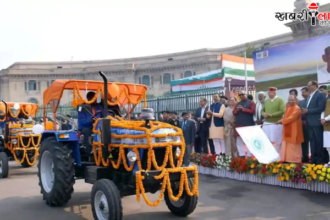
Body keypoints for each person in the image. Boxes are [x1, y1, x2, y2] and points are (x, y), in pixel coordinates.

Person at [302, 81, 327, 164]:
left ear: (314, 85)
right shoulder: (310, 96)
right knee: (312, 142)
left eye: (309, 86)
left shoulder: (320, 94)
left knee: (319, 141)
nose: (308, 87)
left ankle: (320, 160)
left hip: (317, 122)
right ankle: (313, 159)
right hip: (310, 123)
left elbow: (321, 108)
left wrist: (308, 111)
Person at [277, 95, 304, 163]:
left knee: (293, 145)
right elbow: (286, 117)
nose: (291, 101)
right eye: (289, 100)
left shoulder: (297, 108)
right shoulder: (288, 107)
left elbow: (292, 118)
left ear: (295, 100)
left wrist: (282, 121)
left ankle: (294, 159)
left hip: (294, 129)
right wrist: (282, 120)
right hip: (287, 128)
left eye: (292, 100)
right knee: (287, 143)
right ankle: (287, 159)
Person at [78, 91, 103, 156]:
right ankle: (89, 151)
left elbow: (103, 116)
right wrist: (91, 120)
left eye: (95, 98)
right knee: (87, 131)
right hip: (86, 128)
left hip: (98, 127)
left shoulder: (99, 107)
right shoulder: (82, 107)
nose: (94, 100)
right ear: (88, 98)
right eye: (93, 98)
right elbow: (82, 122)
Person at [261, 87, 286, 153]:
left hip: (276, 123)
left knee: (277, 141)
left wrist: (272, 115)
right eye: (268, 92)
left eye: (270, 92)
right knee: (266, 140)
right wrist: (264, 114)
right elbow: (262, 111)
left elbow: (282, 111)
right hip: (266, 124)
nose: (269, 94)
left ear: (274, 92)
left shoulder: (280, 100)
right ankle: (269, 155)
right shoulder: (266, 101)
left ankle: (278, 156)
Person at [233, 91, 255, 157]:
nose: (241, 96)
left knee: (249, 141)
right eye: (240, 95)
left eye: (243, 94)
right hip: (239, 124)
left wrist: (243, 109)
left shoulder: (251, 102)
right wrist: (238, 110)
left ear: (246, 95)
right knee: (239, 142)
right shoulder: (238, 103)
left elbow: (252, 111)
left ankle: (249, 155)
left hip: (248, 124)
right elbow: (234, 112)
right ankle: (241, 155)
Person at [299, 87, 310, 162]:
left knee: (313, 141)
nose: (302, 94)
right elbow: (299, 112)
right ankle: (305, 156)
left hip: (311, 123)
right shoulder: (301, 102)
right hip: (303, 124)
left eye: (304, 92)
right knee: (304, 141)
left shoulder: (312, 100)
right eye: (301, 93)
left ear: (308, 92)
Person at [321, 85, 330, 165]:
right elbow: (322, 110)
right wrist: (322, 119)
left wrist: (326, 119)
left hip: (327, 123)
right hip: (326, 126)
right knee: (328, 146)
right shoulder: (326, 100)